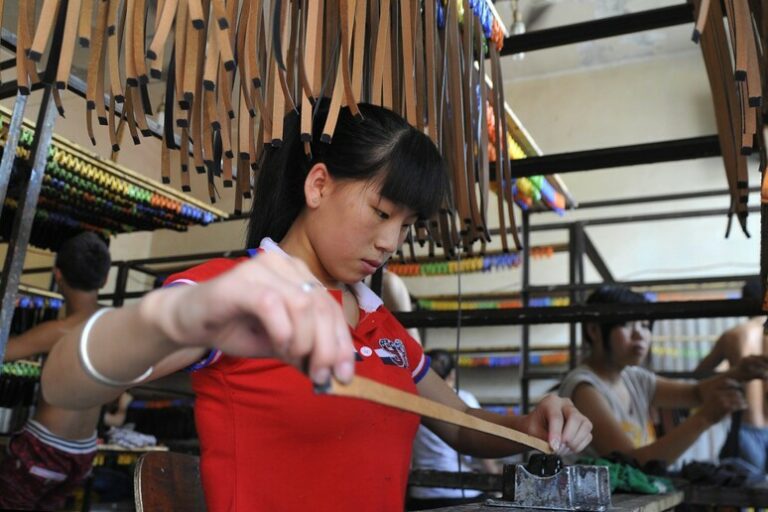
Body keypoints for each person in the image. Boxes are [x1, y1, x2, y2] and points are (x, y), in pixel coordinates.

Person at [41, 102, 592, 511]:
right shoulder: (236, 293)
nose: (390, 242)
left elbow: (460, 423)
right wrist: (177, 315)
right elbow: (64, 382)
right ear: (319, 185)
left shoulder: (381, 326)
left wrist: (532, 426)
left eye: (407, 226)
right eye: (380, 212)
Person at [559, 285, 768, 467]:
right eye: (628, 324)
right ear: (594, 331)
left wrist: (738, 373)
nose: (640, 334)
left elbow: (694, 394)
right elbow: (633, 463)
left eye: (645, 326)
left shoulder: (634, 378)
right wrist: (704, 418)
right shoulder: (585, 389)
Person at [0, 232, 111, 511]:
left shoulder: (59, 331)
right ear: (105, 279)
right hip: (84, 452)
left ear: (57, 275)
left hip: (46, 450)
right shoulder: (113, 324)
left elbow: (5, 351)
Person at [409, 349, 501, 510]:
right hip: (460, 494)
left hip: (421, 493)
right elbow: (480, 440)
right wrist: (494, 474)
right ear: (452, 374)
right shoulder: (464, 400)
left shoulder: (410, 400)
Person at [695, 278, 768, 474]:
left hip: (746, 427)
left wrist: (730, 375)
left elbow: (700, 374)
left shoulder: (733, 336)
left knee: (747, 497)